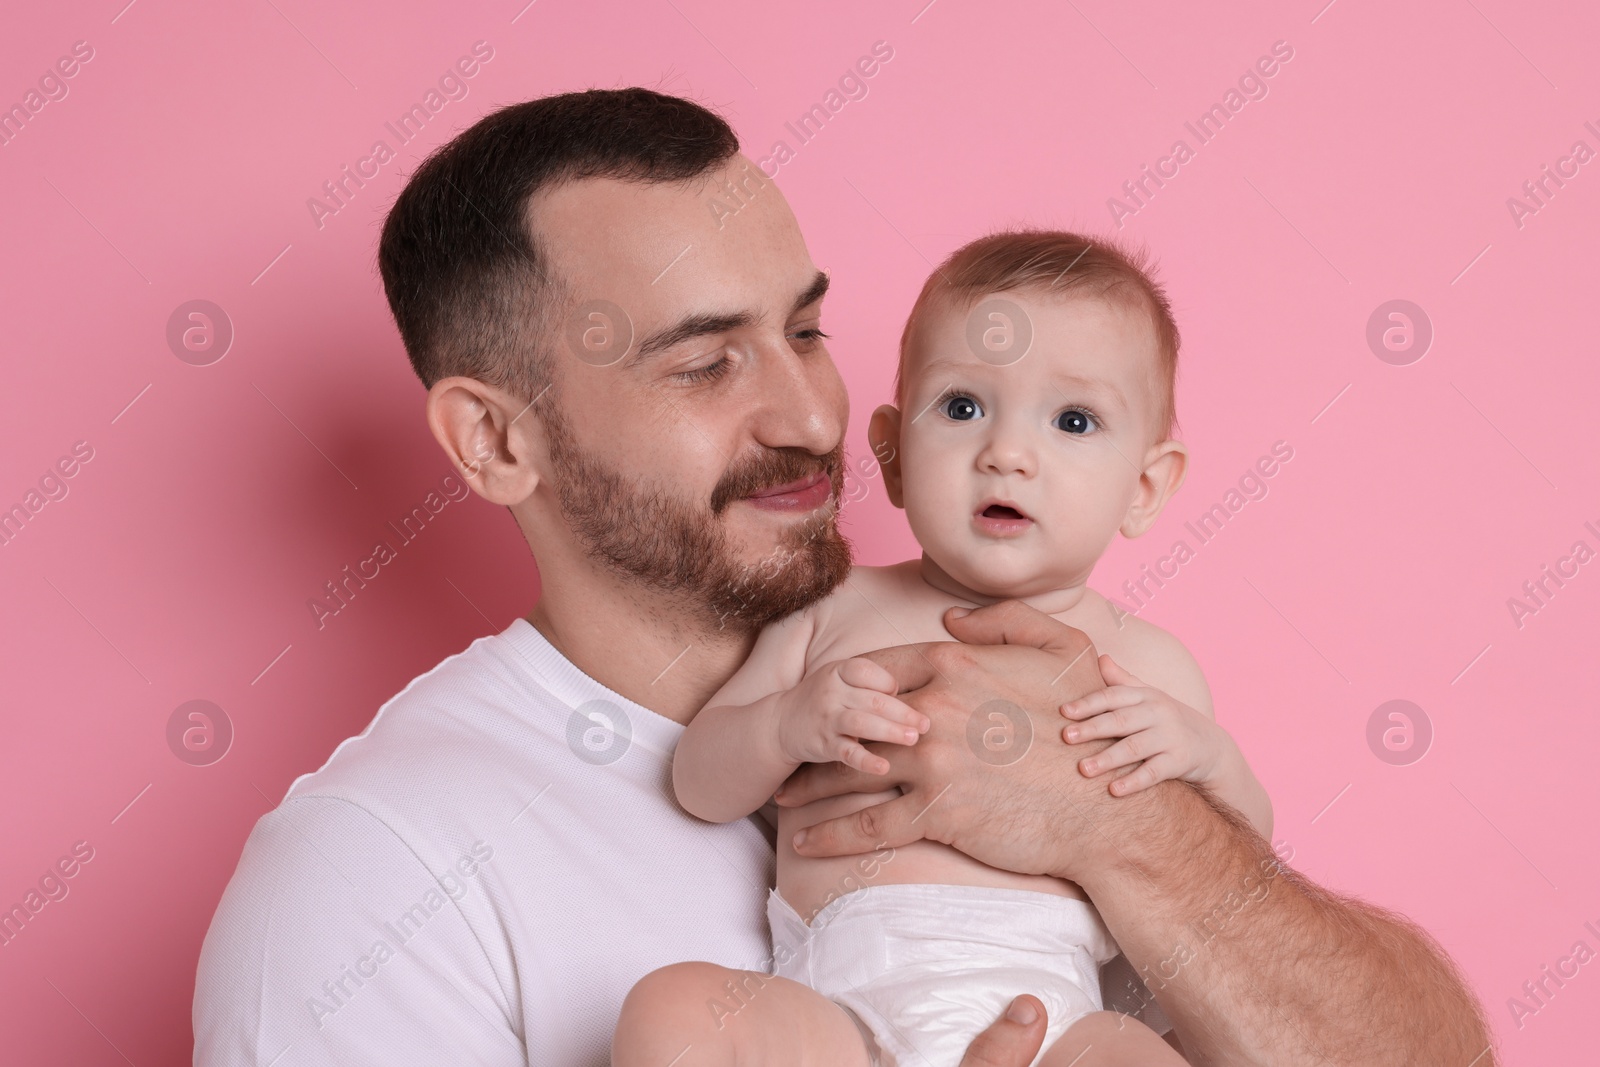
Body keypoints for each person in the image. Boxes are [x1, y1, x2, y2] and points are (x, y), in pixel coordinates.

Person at [193, 88, 1494, 1066]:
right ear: (498, 438)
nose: (811, 415)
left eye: (806, 328)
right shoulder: (374, 872)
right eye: (705, 363)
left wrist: (1132, 828)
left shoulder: (1051, 687)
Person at [614, 228, 1271, 1066]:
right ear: (890, 453)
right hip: (840, 1010)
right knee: (674, 1011)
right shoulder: (832, 606)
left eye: (1073, 419)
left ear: (1143, 487)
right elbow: (699, 780)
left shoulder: (1149, 666)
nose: (1006, 453)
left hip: (1056, 1018)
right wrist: (784, 725)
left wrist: (1207, 759)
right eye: (962, 407)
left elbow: (1240, 869)